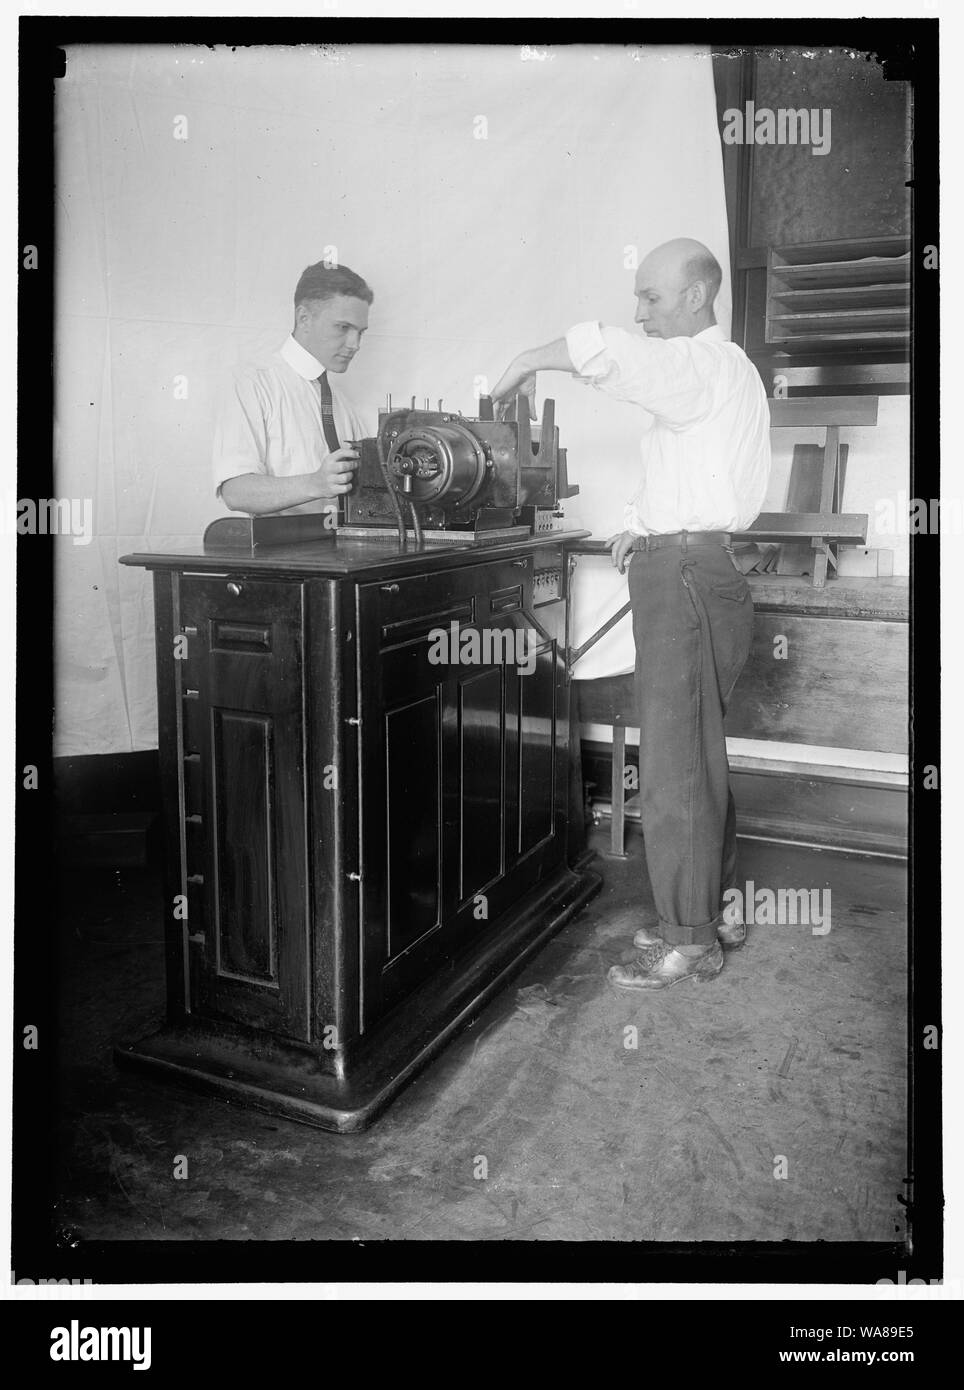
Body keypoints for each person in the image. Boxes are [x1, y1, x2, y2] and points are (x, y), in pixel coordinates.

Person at [491, 238, 771, 990]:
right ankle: (715, 911)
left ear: (696, 296)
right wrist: (640, 525)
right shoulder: (730, 373)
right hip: (697, 565)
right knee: (699, 754)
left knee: (676, 766)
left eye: (651, 296)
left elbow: (613, 353)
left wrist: (526, 360)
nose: (640, 311)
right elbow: (695, 467)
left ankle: (688, 941)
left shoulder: (699, 364)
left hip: (683, 577)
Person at [213, 261, 373, 516]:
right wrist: (315, 484)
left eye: (360, 332)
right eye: (343, 328)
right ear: (304, 318)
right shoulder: (251, 383)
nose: (355, 344)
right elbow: (235, 491)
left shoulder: (343, 404)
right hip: (279, 542)